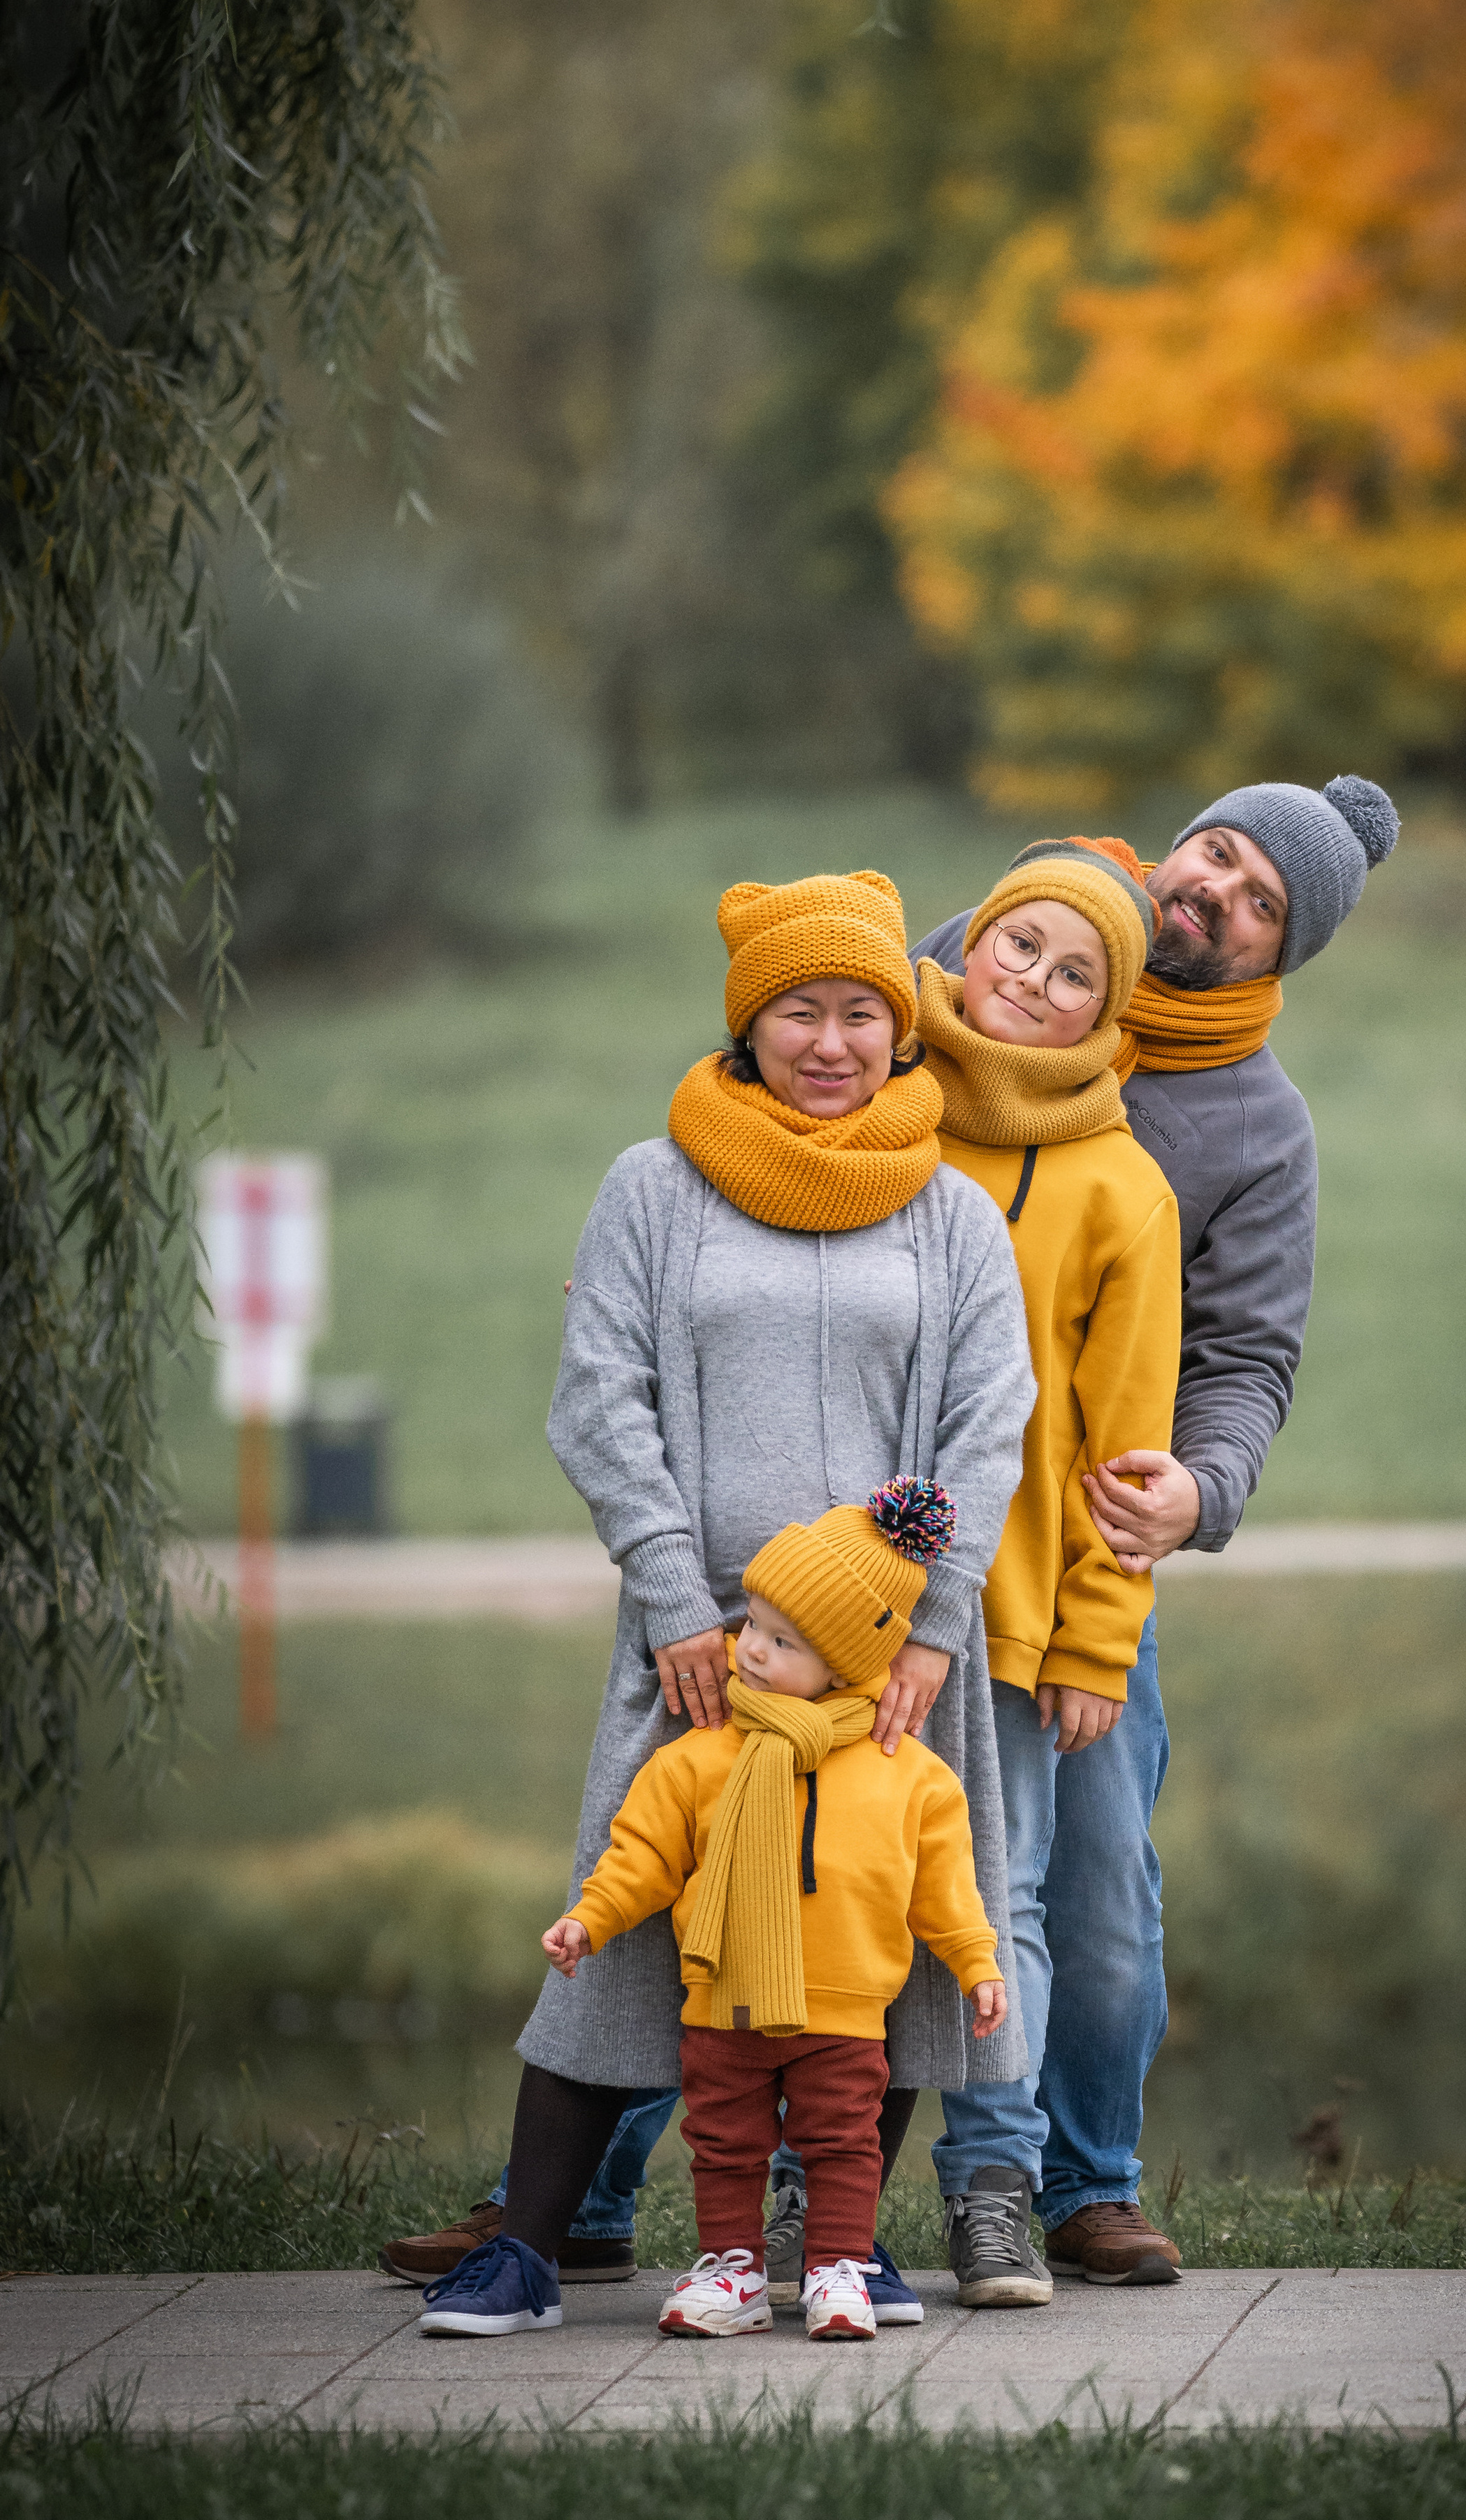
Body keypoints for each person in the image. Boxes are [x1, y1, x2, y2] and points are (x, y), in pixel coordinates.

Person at [396, 868, 1035, 2336]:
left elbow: (987, 1427)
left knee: (870, 1938)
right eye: (797, 1012)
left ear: (899, 1027)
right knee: (616, 1927)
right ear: (746, 1030)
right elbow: (599, 1397)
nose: (831, 1042)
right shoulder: (654, 1188)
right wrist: (673, 1591)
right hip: (702, 1651)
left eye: (860, 1011)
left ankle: (837, 2256)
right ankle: (532, 2250)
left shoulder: (947, 1215)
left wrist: (932, 1622)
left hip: (885, 1666)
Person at [909, 774, 1398, 2294]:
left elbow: (1246, 1360)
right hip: (864, 1536)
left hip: (1075, 1553)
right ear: (1176, 843)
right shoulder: (983, 963)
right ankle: (573, 2191)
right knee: (749, 1847)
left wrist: (1203, 1487)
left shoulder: (1253, 1126)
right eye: (1223, 858)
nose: (1222, 899)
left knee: (1097, 1897)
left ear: (1273, 959)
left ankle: (1081, 2185)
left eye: (1263, 907)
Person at [421, 1483, 1007, 2345]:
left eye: (780, 1641)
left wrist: (978, 1965)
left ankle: (836, 2267)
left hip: (845, 2011)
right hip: (724, 2002)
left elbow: (945, 1889)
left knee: (843, 2144)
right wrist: (591, 1917)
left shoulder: (907, 1775)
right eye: (753, 1627)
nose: (750, 1651)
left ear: (845, 1666)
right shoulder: (700, 1758)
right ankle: (731, 2268)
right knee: (724, 2144)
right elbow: (645, 1857)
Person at [907, 840, 1182, 2305]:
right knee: (801, 1889)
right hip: (824, 1603)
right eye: (1019, 944)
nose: (1034, 981)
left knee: (997, 1903)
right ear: (970, 943)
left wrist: (1091, 1641)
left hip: (1003, 1612)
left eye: (1074, 974)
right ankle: (787, 2199)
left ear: (1102, 1017)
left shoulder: (1118, 1187)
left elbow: (1126, 1448)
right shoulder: (873, 1106)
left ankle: (995, 2192)